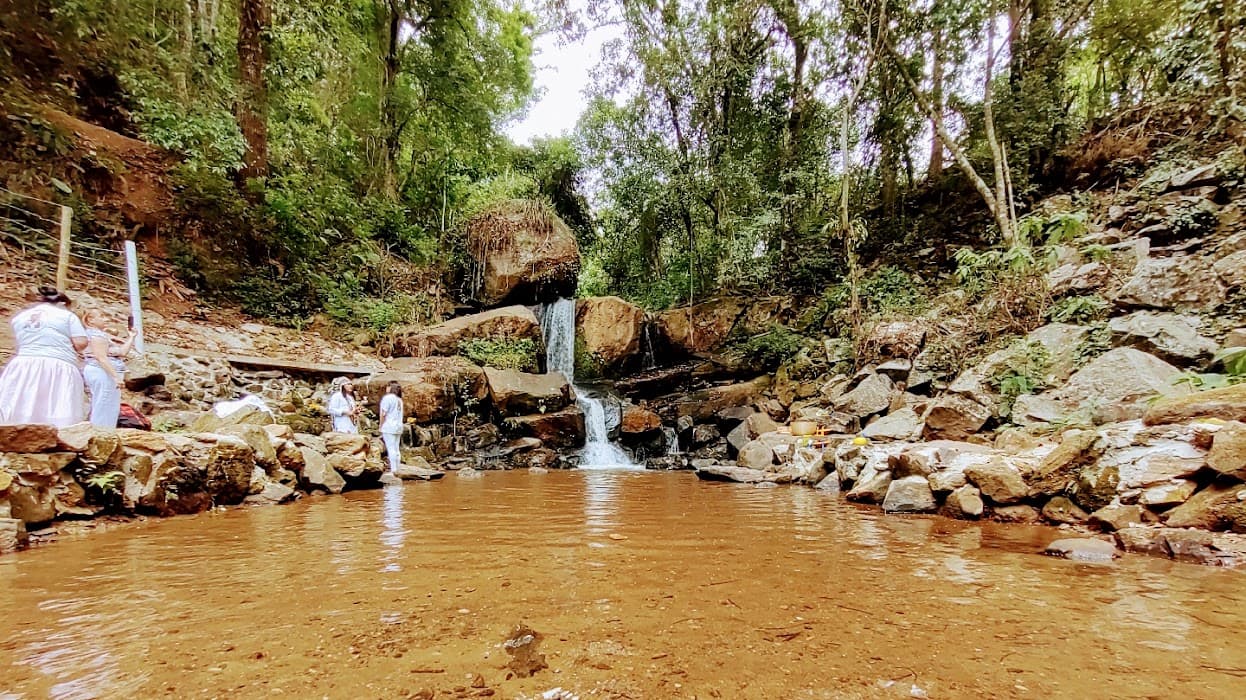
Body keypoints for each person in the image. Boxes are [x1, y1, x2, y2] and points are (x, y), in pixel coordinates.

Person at [0, 286, 90, 427]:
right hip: (57, 363)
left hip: (23, 363)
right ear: (61, 303)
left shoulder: (19, 318)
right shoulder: (66, 316)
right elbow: (80, 343)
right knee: (56, 404)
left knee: (22, 402)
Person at [81, 309, 135, 429]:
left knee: (108, 403)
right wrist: (115, 376)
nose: (106, 320)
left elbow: (121, 352)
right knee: (104, 403)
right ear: (91, 320)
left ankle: (104, 432)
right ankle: (101, 432)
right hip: (102, 372)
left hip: (105, 372)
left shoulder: (101, 335)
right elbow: (101, 357)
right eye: (102, 316)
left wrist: (131, 337)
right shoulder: (96, 335)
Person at [378, 381, 405, 474]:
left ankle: (393, 470)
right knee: (396, 448)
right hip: (398, 426)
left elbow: (383, 413)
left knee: (391, 448)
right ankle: (398, 468)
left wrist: (381, 425)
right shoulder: (399, 400)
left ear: (390, 388)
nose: (386, 388)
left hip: (389, 426)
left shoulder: (387, 398)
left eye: (387, 386)